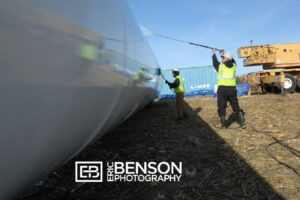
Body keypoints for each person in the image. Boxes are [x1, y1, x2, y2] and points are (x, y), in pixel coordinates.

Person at [212, 49, 245, 128]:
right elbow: (231, 60)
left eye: (223, 57)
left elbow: (215, 62)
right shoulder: (234, 66)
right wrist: (224, 54)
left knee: (221, 106)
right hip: (232, 89)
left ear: (227, 58)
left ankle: (224, 125)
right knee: (235, 105)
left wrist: (214, 53)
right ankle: (242, 123)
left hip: (222, 89)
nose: (222, 58)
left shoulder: (220, 66)